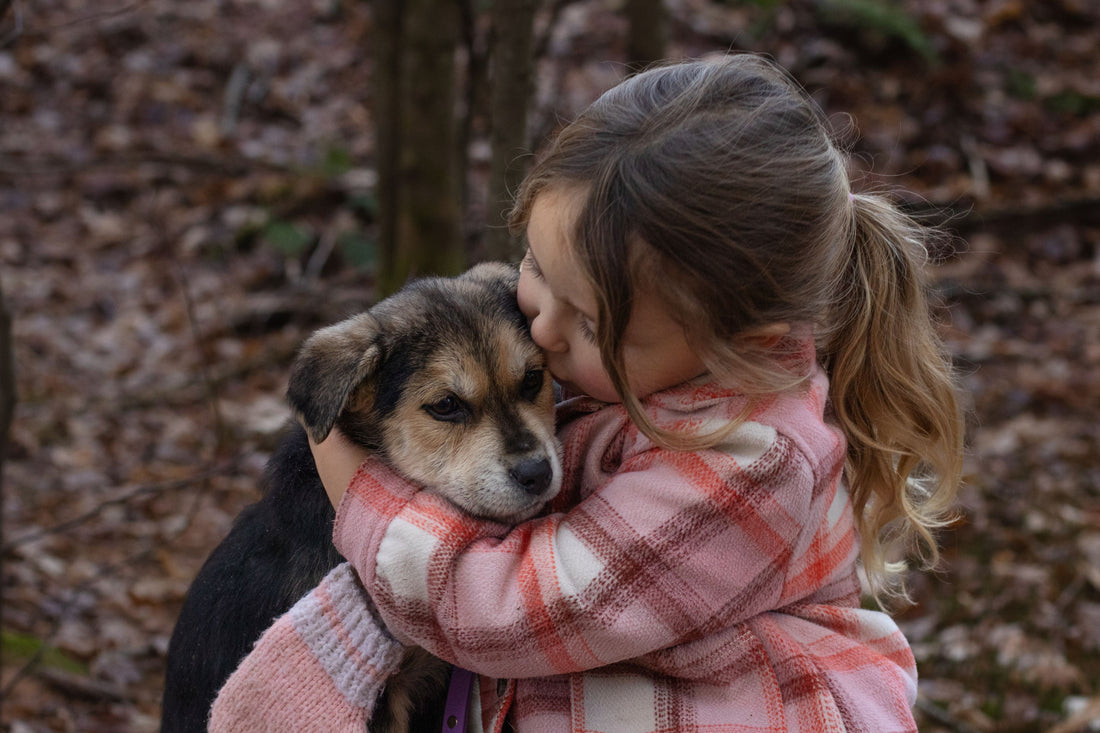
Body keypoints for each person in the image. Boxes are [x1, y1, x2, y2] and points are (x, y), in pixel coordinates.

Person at [210, 53, 963, 732]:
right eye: (536, 268)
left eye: (594, 322)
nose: (540, 328)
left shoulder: (749, 463)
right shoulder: (641, 375)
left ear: (748, 341)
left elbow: (502, 613)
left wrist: (361, 495)